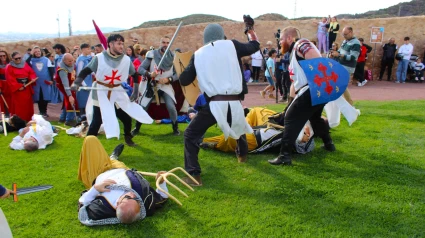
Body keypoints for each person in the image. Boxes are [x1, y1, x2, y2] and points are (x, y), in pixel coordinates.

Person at [179, 18, 260, 185]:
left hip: (214, 104)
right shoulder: (232, 45)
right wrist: (251, 32)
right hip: (235, 102)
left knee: (190, 135)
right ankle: (242, 156)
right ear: (221, 35)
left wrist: (181, 68)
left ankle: (194, 175)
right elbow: (254, 46)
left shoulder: (198, 54)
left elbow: (185, 80)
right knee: (239, 125)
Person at [268, 27, 335, 166]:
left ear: (289, 38)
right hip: (316, 90)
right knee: (315, 118)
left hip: (312, 90)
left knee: (290, 118)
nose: (279, 42)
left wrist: (318, 83)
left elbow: (318, 63)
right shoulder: (295, 50)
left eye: (281, 39)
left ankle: (284, 156)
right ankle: (329, 144)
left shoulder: (301, 44)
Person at [71, 34, 152, 146]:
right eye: (119, 43)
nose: (121, 46)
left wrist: (135, 91)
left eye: (122, 44)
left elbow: (134, 74)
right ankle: (88, 146)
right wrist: (77, 82)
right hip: (100, 91)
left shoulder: (126, 60)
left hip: (116, 91)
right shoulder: (99, 58)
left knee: (126, 118)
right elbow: (86, 71)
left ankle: (128, 138)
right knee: (97, 121)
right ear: (110, 44)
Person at [77, 136, 168, 226]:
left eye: (128, 198)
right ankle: (113, 158)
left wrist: (95, 189)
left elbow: (82, 205)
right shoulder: (144, 202)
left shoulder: (103, 208)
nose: (133, 195)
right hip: (122, 170)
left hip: (98, 172)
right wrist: (161, 182)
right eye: (137, 200)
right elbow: (162, 197)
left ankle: (111, 158)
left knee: (90, 140)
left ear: (117, 204)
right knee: (116, 163)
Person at [201, 107, 315, 155]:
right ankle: (241, 124)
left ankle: (211, 143)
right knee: (257, 111)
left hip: (259, 138)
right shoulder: (304, 120)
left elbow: (301, 143)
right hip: (267, 127)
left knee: (233, 138)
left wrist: (302, 136)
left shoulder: (303, 140)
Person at [135, 36, 180, 136]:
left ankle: (175, 128)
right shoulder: (152, 55)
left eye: (167, 43)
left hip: (165, 86)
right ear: (160, 43)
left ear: (170, 44)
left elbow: (177, 74)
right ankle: (137, 127)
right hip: (153, 85)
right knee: (143, 106)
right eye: (163, 42)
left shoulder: (173, 57)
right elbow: (140, 69)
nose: (165, 44)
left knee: (171, 106)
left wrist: (169, 79)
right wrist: (149, 74)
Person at [331, 26, 360, 105]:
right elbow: (340, 51)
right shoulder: (345, 41)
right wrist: (334, 54)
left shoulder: (356, 43)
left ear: (351, 32)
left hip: (347, 67)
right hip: (341, 65)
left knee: (341, 85)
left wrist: (340, 55)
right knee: (339, 84)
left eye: (346, 34)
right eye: (343, 35)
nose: (344, 36)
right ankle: (346, 104)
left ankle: (349, 104)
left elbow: (353, 57)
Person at [5, 52, 37, 121]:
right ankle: (19, 122)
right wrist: (18, 86)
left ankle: (28, 120)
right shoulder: (9, 67)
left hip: (27, 89)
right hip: (18, 91)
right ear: (12, 59)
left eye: (20, 58)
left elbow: (31, 73)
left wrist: (32, 78)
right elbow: (10, 79)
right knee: (19, 107)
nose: (18, 60)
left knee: (28, 106)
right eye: (16, 59)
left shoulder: (25, 64)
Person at [26, 46, 54, 117]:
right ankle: (41, 111)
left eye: (38, 51)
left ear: (41, 52)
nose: (37, 53)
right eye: (35, 52)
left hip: (45, 81)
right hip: (36, 82)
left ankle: (45, 111)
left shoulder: (46, 59)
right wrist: (30, 55)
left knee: (45, 96)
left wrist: (51, 80)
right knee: (39, 97)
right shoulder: (32, 60)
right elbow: (26, 63)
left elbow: (51, 70)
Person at [55, 53, 78, 126]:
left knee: (67, 100)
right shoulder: (62, 70)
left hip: (71, 85)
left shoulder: (72, 65)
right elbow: (65, 83)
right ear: (64, 61)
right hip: (65, 86)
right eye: (69, 61)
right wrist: (69, 95)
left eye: (72, 60)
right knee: (71, 100)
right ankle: (69, 120)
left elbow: (73, 76)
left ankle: (62, 118)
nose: (71, 62)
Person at [76, 43, 93, 116]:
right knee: (83, 99)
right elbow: (79, 72)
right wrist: (83, 84)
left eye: (90, 49)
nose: (89, 50)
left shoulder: (89, 58)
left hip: (89, 80)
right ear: (83, 50)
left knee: (88, 99)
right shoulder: (81, 59)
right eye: (88, 49)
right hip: (84, 82)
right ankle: (82, 114)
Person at [0, 50, 12, 114]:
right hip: (2, 85)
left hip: (10, 84)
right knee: (3, 102)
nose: (2, 57)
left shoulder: (11, 64)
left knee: (11, 101)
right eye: (0, 56)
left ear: (6, 56)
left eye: (4, 55)